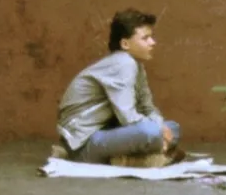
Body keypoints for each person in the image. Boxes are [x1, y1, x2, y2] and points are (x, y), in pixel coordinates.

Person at [56, 9, 182, 165]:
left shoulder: (136, 65)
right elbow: (128, 117)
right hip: (82, 144)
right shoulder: (123, 63)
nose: (153, 42)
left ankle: (127, 158)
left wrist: (161, 126)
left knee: (173, 128)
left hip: (108, 132)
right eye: (145, 38)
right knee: (150, 132)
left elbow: (146, 107)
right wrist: (159, 131)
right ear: (125, 44)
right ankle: (140, 157)